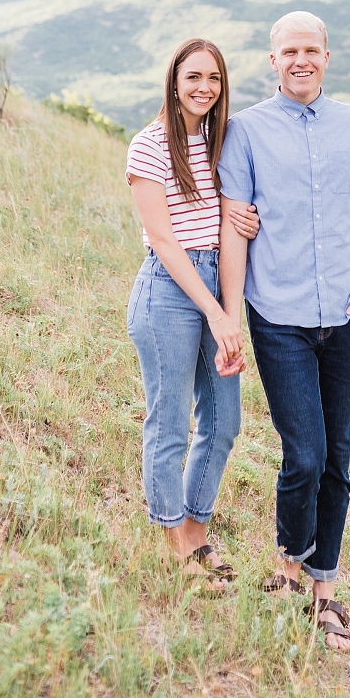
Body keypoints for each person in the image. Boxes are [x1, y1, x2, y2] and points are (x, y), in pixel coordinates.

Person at [218, 11, 350, 648]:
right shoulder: (244, 132)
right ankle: (286, 568)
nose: (301, 60)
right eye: (289, 50)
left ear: (328, 55)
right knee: (306, 455)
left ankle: (323, 589)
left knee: (339, 461)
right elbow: (232, 226)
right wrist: (232, 314)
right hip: (280, 318)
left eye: (311, 50)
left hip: (348, 316)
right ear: (273, 60)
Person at [125, 37, 258, 586]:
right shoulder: (150, 146)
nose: (204, 88)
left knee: (225, 421)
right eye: (194, 77)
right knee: (171, 422)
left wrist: (231, 312)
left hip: (216, 286)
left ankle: (197, 528)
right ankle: (174, 539)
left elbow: (230, 223)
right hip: (169, 292)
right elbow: (164, 239)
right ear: (174, 81)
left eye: (214, 79)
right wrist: (216, 314)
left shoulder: (220, 143)